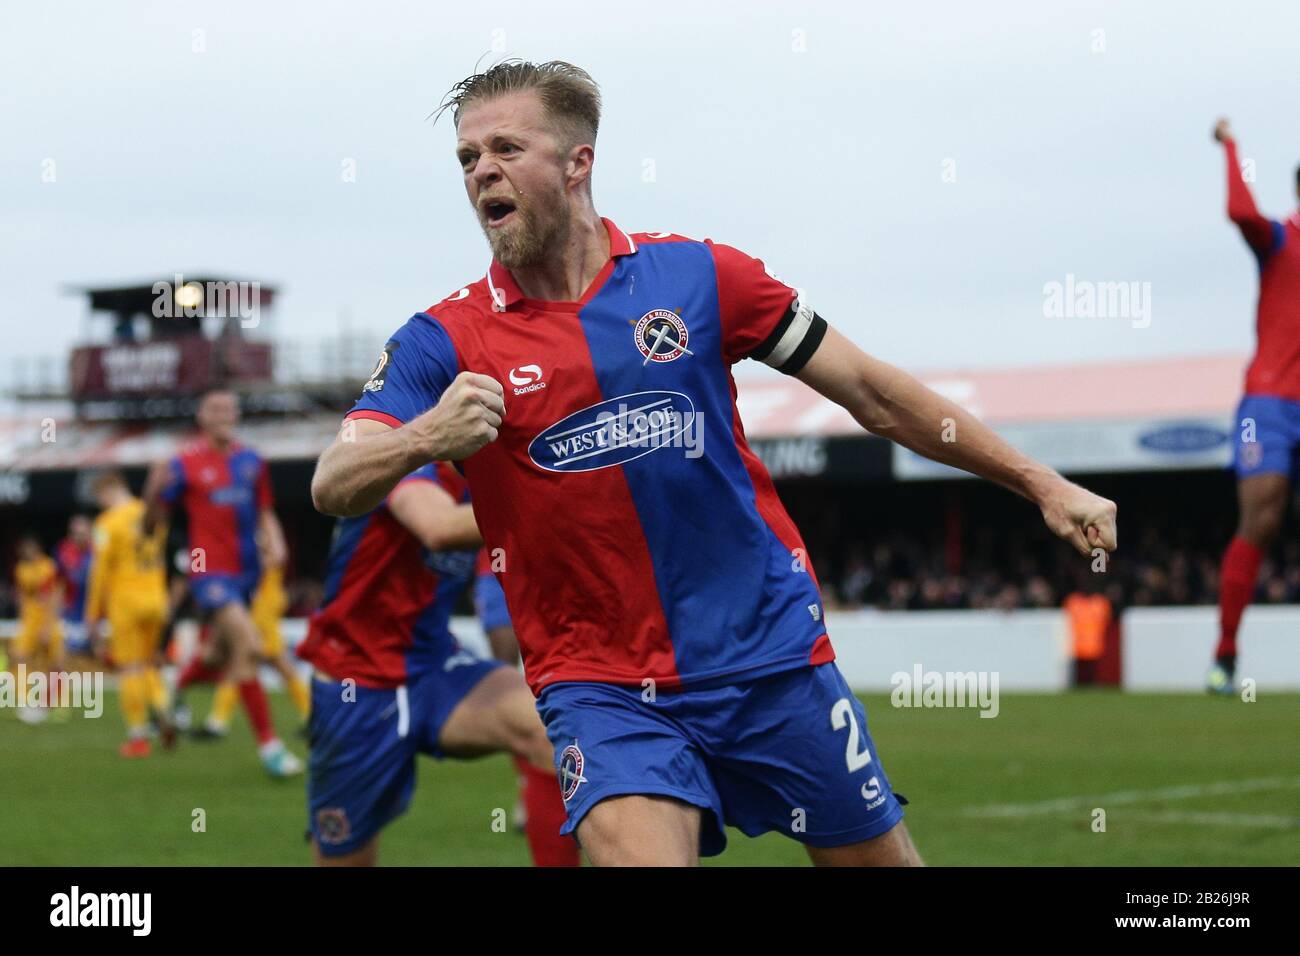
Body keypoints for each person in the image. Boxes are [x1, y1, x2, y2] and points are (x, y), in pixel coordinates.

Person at [312, 60, 1117, 866]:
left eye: (506, 148)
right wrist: (421, 439)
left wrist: (1038, 481)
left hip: (767, 659)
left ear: (577, 162)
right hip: (602, 688)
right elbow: (332, 484)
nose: (481, 170)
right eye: (467, 158)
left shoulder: (700, 277)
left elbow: (872, 391)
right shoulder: (444, 339)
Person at [297, 463, 577, 867]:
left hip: (433, 666)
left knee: (548, 731)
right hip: (355, 681)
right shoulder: (409, 459)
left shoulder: (493, 476)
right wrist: (559, 502)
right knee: (345, 856)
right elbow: (439, 527)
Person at [144, 388, 302, 777]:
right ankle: (271, 747)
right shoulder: (184, 463)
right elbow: (152, 523)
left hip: (248, 574)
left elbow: (265, 511)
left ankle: (171, 696)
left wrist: (276, 542)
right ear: (201, 416)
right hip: (207, 572)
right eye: (215, 408)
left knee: (217, 654)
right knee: (248, 647)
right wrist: (152, 487)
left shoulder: (252, 461)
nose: (224, 414)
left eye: (230, 407)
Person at [1207, 119, 1300, 695]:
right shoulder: (1283, 239)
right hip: (1269, 400)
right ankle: (1224, 657)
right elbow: (1241, 212)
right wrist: (1232, 147)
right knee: (1261, 519)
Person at [84, 471, 174, 757]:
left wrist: (92, 614)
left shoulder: (107, 523)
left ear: (107, 490)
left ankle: (138, 737)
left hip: (125, 602)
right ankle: (163, 707)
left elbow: (99, 572)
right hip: (156, 599)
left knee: (130, 668)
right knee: (149, 664)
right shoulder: (152, 516)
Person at [197, 539, 311, 738]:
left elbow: (276, 557)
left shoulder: (261, 552)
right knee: (245, 666)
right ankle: (217, 722)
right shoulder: (255, 551)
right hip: (257, 614)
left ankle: (312, 717)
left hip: (262, 616)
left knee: (276, 666)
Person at [11, 535, 65, 724]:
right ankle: (25, 701)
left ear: (37, 549)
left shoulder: (48, 567)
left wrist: (48, 625)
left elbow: (54, 595)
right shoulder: (21, 569)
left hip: (47, 620)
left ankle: (52, 703)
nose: (27, 553)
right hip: (29, 622)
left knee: (56, 663)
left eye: (30, 549)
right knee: (19, 657)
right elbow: (22, 596)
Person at [55, 515, 93, 656]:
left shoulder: (99, 552)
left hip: (95, 617)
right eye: (74, 534)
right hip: (70, 617)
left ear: (90, 533)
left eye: (82, 534)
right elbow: (58, 586)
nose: (78, 538)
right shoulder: (63, 551)